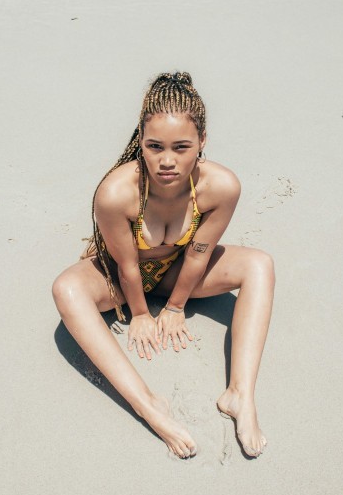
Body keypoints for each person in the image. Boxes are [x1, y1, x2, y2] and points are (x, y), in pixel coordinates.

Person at [52, 72, 275, 459]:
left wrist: (175, 306)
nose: (167, 160)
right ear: (140, 140)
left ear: (202, 142)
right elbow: (126, 266)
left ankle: (240, 395)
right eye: (155, 146)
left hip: (175, 272)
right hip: (119, 278)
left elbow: (199, 252)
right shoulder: (115, 193)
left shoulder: (221, 187)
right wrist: (140, 313)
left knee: (260, 264)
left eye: (181, 147)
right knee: (65, 289)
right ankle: (148, 404)